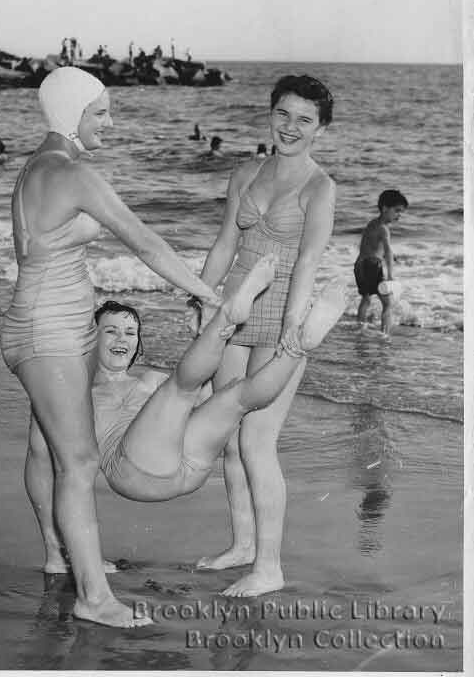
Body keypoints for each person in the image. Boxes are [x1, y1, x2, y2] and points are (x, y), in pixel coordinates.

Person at [0, 66, 220, 628]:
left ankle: (62, 555)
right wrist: (209, 296)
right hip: (51, 332)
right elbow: (146, 241)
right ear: (73, 114)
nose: (111, 123)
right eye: (100, 112)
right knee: (79, 461)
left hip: (44, 326)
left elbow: (36, 253)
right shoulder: (72, 172)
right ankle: (94, 598)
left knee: (53, 450)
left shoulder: (34, 168)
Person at [31, 264, 347, 572]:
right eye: (110, 331)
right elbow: (41, 460)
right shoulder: (73, 393)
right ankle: (225, 319)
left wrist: (205, 358)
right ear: (91, 340)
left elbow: (206, 401)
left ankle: (299, 346)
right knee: (180, 387)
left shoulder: (149, 380)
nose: (122, 339)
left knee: (236, 396)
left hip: (190, 464)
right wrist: (60, 550)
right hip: (134, 472)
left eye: (130, 332)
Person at [188, 74, 336, 597]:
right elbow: (226, 242)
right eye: (283, 114)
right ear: (269, 113)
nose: (290, 127)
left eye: (305, 119)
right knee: (228, 436)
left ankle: (270, 567)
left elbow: (309, 263)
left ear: (321, 128)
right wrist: (202, 298)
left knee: (257, 440)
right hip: (234, 311)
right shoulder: (245, 171)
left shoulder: (321, 187)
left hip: (279, 320)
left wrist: (295, 330)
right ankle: (243, 546)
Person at [354, 189, 408, 335]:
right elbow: (388, 251)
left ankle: (359, 328)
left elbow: (371, 246)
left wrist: (390, 255)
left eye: (401, 212)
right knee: (388, 303)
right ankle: (385, 335)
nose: (399, 215)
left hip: (360, 265)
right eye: (397, 211)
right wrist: (390, 274)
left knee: (366, 298)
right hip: (372, 265)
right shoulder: (384, 229)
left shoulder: (372, 223)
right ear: (385, 208)